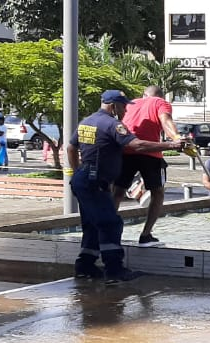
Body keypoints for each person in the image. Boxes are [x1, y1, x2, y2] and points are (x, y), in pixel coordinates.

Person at [68, 90, 185, 284]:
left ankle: (85, 267)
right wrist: (172, 145)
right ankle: (114, 271)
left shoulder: (86, 122)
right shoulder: (113, 125)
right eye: (123, 107)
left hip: (82, 179)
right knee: (111, 224)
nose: (125, 111)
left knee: (91, 224)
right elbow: (137, 145)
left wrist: (78, 171)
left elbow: (71, 148)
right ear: (114, 106)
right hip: (96, 181)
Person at [112, 85, 182, 247]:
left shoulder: (130, 104)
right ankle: (146, 234)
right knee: (158, 193)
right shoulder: (160, 103)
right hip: (150, 152)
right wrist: (177, 139)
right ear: (161, 96)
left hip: (126, 150)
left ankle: (106, 230)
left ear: (143, 95)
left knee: (118, 191)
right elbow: (166, 121)